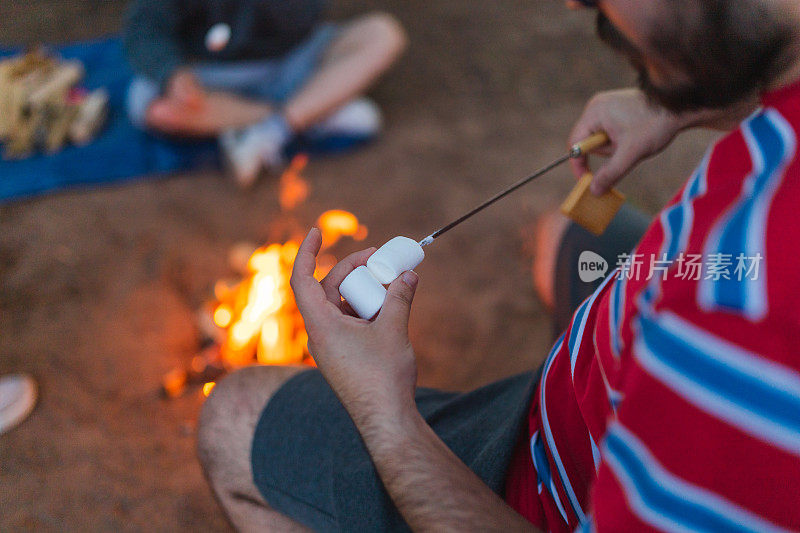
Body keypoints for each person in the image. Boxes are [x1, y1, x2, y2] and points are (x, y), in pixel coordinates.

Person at [198, 0, 800, 531]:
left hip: (540, 494)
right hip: (629, 336)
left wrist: (384, 413)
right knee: (570, 229)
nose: (576, 2)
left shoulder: (735, 322)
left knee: (232, 418)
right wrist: (682, 102)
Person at [123, 0, 406, 187]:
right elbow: (143, 27)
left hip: (296, 57)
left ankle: (277, 126)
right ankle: (312, 114)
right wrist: (171, 73)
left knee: (382, 33)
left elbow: (306, 16)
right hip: (215, 74)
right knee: (146, 101)